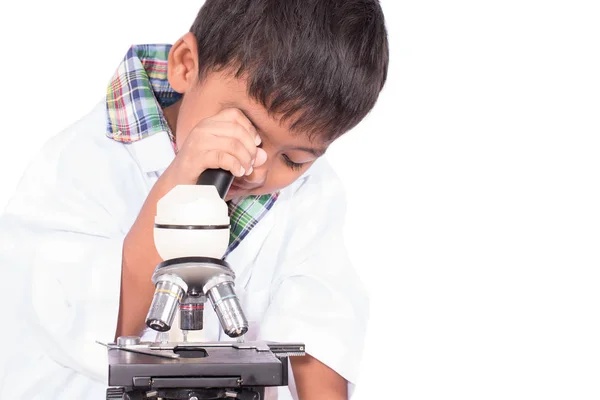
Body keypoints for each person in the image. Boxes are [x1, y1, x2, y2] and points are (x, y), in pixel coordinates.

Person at [0, 0, 388, 398]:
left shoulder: (309, 195)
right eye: (244, 128)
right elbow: (94, 325)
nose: (255, 170)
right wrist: (179, 179)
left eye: (292, 159)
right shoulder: (80, 164)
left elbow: (319, 322)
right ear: (186, 66)